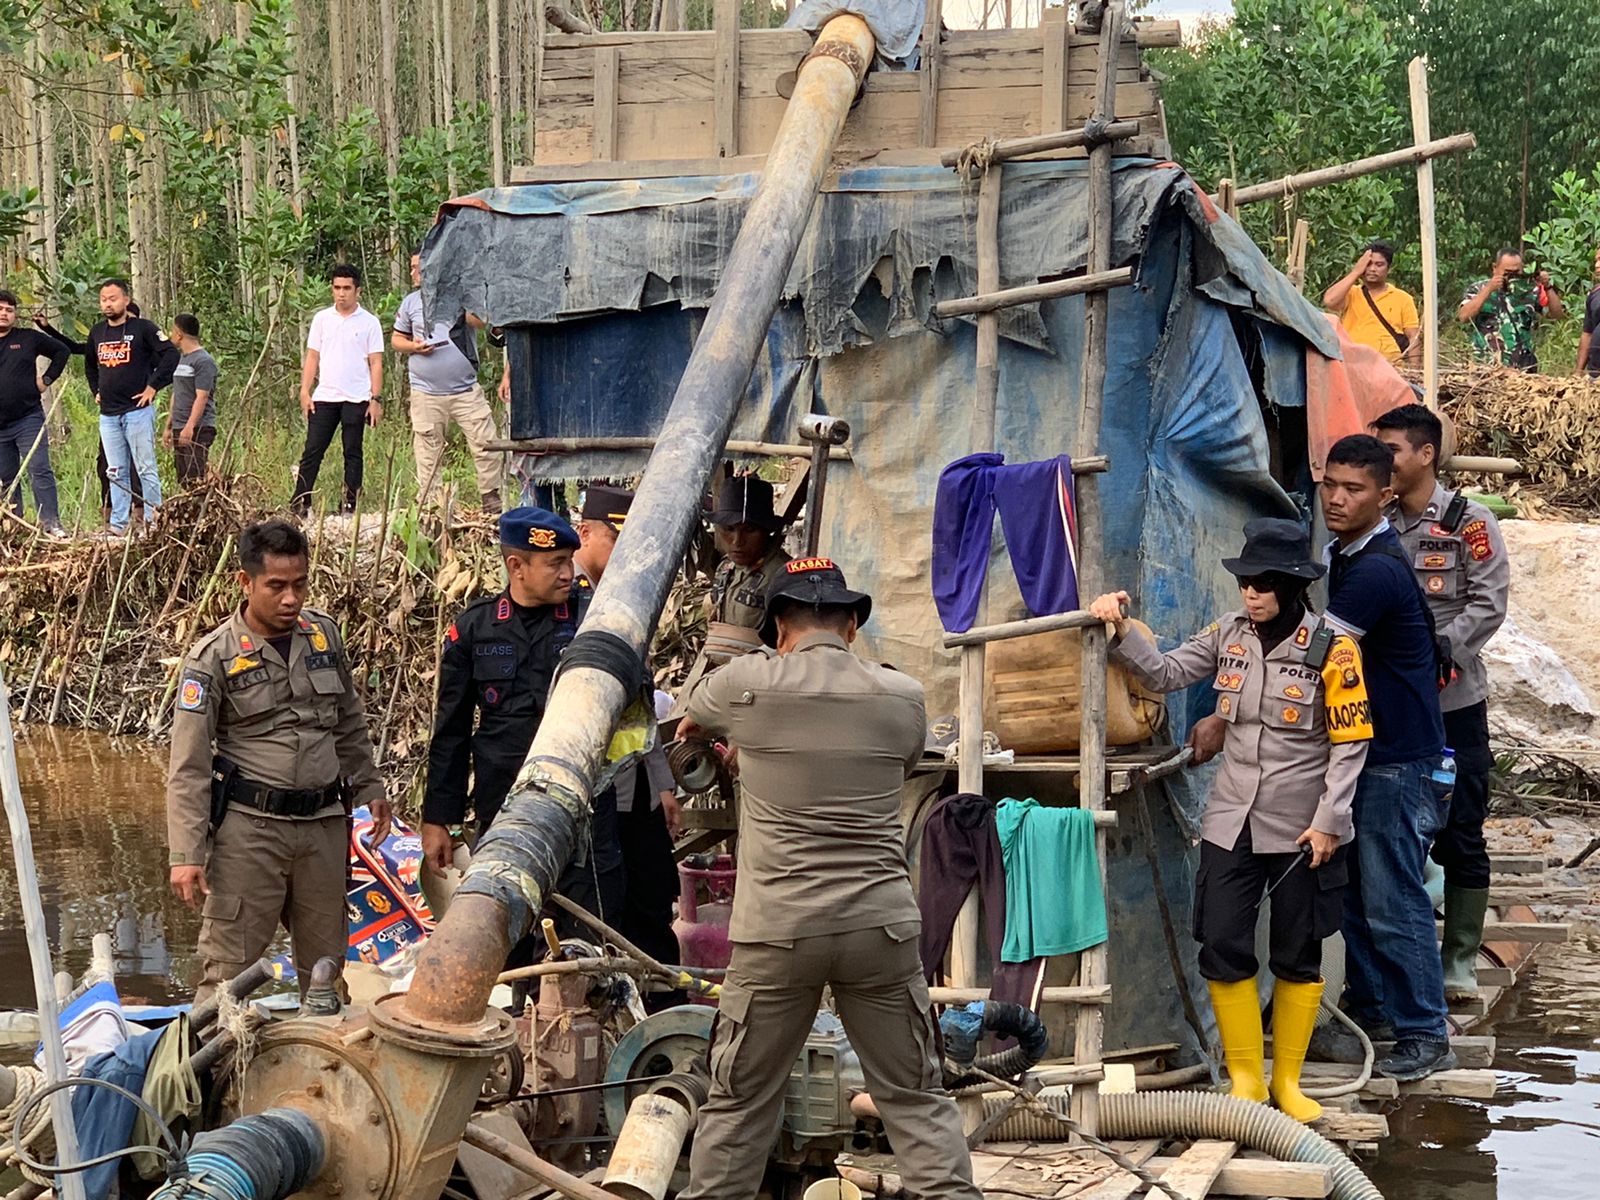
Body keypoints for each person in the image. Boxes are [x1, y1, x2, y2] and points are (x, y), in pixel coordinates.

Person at [675, 558, 981, 1200]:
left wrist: (744, 750)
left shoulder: (746, 684)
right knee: (916, 1097)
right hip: (880, 926)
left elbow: (689, 725)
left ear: (780, 625)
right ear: (851, 626)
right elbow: (892, 765)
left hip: (779, 932)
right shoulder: (903, 696)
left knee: (739, 1103)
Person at [1086, 519, 1371, 1123]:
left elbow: (1350, 746)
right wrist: (1118, 629)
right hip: (1231, 820)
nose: (1252, 594)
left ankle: (1287, 1083)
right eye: (1245, 581)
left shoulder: (1334, 648)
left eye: (1265, 584)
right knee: (1222, 942)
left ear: (1295, 586)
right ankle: (1246, 1079)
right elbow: (1163, 673)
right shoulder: (1229, 636)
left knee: (1297, 951)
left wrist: (1329, 821)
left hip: (1303, 829)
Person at [166, 520, 390, 1003]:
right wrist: (186, 855)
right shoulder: (213, 659)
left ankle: (327, 1070)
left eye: (300, 584)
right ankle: (211, 1075)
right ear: (245, 583)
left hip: (323, 830)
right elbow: (188, 766)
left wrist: (370, 787)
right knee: (228, 975)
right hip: (251, 834)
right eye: (276, 586)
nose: (291, 598)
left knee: (327, 971)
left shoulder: (324, 636)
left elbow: (348, 721)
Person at [1316, 433, 1454, 1080]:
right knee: (1357, 899)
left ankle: (1425, 1033)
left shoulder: (1373, 570)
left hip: (1400, 763)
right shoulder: (1346, 555)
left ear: (1385, 495)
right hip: (1377, 757)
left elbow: (1313, 659)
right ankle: (1372, 1015)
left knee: (1393, 902)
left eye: (1354, 489)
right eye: (1330, 485)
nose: (1337, 499)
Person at [421, 507, 624, 934]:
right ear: (517, 566)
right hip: (503, 803)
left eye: (570, 560)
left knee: (585, 926)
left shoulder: (594, 620)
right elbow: (451, 731)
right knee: (505, 919)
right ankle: (518, 1001)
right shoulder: (475, 629)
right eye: (555, 564)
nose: (569, 573)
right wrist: (440, 819)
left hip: (580, 805)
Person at [1371, 404, 1509, 1000]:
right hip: (1388, 706)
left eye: (1392, 451)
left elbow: (1489, 601)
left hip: (1453, 703)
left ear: (1426, 455)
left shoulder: (1467, 522)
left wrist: (1437, 653)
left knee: (1462, 831)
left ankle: (1459, 962)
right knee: (1389, 824)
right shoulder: (1373, 525)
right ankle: (1398, 957)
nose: (1384, 462)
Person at [573, 484, 683, 1002]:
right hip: (590, 798)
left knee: (652, 908)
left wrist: (662, 785)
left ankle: (663, 1018)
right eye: (621, 540)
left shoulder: (623, 603)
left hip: (635, 795)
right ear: (587, 534)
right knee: (597, 915)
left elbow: (642, 707)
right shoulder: (567, 607)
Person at [392, 251, 503, 513]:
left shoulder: (460, 296)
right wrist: (413, 347)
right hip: (426, 391)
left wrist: (458, 307)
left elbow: (481, 321)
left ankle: (490, 497)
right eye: (411, 268)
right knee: (428, 448)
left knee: (485, 440)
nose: (413, 273)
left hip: (465, 389)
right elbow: (397, 339)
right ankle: (432, 506)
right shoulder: (410, 303)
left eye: (417, 268)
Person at [35, 303, 145, 524]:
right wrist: (48, 329)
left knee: (136, 464)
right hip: (111, 413)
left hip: (136, 412)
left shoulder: (143, 342)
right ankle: (109, 512)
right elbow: (76, 348)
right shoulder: (104, 340)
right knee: (106, 463)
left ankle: (141, 514)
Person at [85, 279, 176, 535]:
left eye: (113, 298)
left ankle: (152, 522)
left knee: (145, 467)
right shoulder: (97, 332)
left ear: (125, 300)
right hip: (109, 415)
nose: (108, 304)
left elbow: (171, 355)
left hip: (137, 411)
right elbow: (90, 365)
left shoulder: (143, 329)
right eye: (103, 299)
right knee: (115, 470)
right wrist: (96, 391)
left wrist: (153, 386)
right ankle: (119, 525)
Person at [292, 265, 383, 516]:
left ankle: (350, 504)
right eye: (337, 288)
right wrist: (304, 390)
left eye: (346, 288)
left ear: (357, 291)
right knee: (312, 450)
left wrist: (375, 399)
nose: (341, 293)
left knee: (352, 451)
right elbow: (312, 357)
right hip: (325, 396)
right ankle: (300, 501)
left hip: (357, 396)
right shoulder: (322, 319)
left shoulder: (370, 323)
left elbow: (375, 362)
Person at [0, 290, 70, 536]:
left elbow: (63, 351)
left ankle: (51, 524)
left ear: (15, 314)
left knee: (39, 469)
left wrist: (47, 379)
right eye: (0, 309)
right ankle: (14, 527)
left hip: (27, 418)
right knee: (6, 478)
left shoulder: (28, 338)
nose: (4, 314)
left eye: (9, 309)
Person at [1457, 246, 1564, 371]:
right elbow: (1463, 316)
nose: (1511, 277)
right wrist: (1489, 289)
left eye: (1516, 273)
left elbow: (1557, 315)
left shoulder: (1529, 291)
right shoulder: (1478, 289)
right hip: (1486, 366)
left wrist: (1547, 286)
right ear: (1494, 268)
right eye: (1507, 273)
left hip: (1522, 368)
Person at [709, 475, 792, 632]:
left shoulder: (784, 576)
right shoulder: (726, 567)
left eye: (749, 530)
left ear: (767, 531)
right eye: (728, 529)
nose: (737, 541)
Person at [1322, 241, 1422, 367]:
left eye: (1379, 265)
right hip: (1353, 365)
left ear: (1389, 269)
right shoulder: (1351, 293)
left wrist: (1416, 372)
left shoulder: (1403, 298)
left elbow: (1413, 337)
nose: (1372, 269)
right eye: (1368, 264)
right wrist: (1355, 272)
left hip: (1391, 368)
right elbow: (1329, 301)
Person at [163, 313, 218, 486]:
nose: (171, 335)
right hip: (180, 425)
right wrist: (169, 425)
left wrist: (190, 426)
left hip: (199, 427)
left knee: (195, 476)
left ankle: (202, 511)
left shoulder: (203, 361)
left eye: (173, 331)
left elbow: (202, 396)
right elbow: (177, 393)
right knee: (183, 477)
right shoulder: (181, 360)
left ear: (179, 334)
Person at [1574, 247, 1600, 378]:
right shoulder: (1594, 294)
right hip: (1595, 374)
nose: (1597, 265)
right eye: (1596, 260)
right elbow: (1587, 334)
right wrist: (1578, 373)